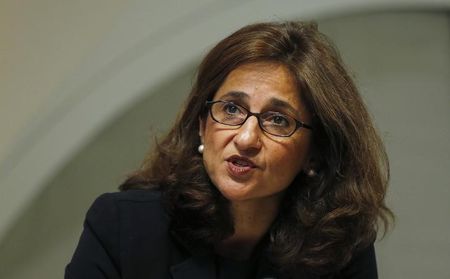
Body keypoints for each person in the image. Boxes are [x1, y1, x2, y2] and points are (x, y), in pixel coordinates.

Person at [65, 21, 393, 279]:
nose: (246, 138)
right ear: (201, 122)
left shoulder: (339, 248)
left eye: (278, 120)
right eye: (232, 109)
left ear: (315, 152)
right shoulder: (123, 227)